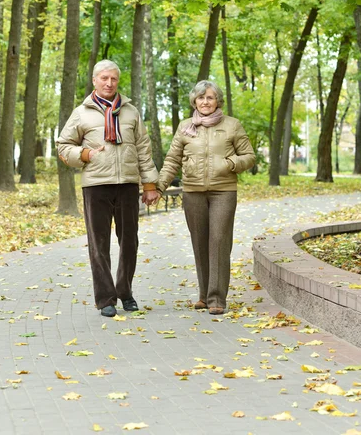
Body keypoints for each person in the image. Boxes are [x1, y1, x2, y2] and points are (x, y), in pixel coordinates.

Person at [56, 60, 159, 318]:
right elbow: (63, 146)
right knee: (98, 243)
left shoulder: (131, 112)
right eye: (104, 78)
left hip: (126, 184)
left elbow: (144, 150)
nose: (109, 83)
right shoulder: (82, 113)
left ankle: (125, 292)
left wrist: (148, 184)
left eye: (113, 79)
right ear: (94, 80)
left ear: (117, 81)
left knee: (129, 242)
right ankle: (105, 299)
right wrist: (86, 154)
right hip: (96, 185)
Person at [157, 81, 256, 315]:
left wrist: (230, 163)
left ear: (218, 101)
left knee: (219, 241)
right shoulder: (185, 127)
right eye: (201, 98)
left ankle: (217, 297)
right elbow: (172, 160)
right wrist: (159, 186)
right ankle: (203, 294)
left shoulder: (232, 125)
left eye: (210, 98)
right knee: (199, 242)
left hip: (224, 190)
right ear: (194, 101)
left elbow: (249, 156)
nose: (205, 102)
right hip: (192, 192)